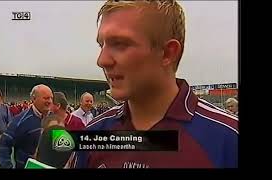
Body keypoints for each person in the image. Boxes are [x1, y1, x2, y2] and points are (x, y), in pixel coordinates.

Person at [66, 0, 238, 168]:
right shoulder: (93, 133)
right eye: (101, 45)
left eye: (119, 44)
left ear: (167, 53)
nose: (102, 60)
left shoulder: (229, 139)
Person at [0, 84, 53, 168]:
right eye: (46, 98)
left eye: (51, 98)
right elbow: (4, 144)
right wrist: (7, 166)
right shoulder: (21, 121)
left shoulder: (54, 119)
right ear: (34, 99)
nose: (49, 101)